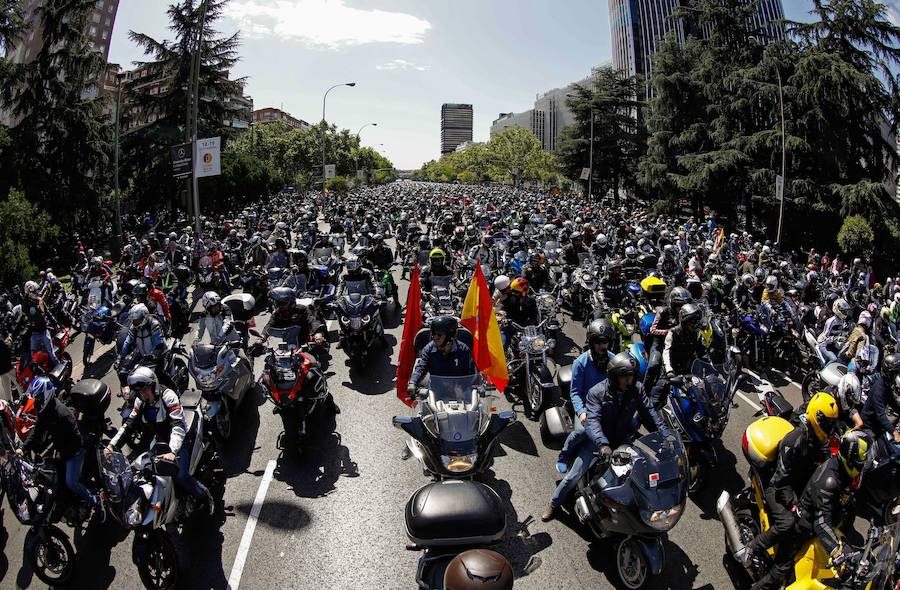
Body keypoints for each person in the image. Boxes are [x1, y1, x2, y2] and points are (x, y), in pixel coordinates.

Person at [542, 352, 671, 521]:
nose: (629, 381)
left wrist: (666, 434)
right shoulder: (597, 393)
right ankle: (553, 503)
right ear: (615, 376)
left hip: (621, 439)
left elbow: (650, 412)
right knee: (573, 477)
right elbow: (592, 421)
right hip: (597, 442)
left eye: (631, 377)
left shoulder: (636, 389)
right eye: (625, 377)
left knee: (640, 472)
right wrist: (602, 444)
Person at [748, 430, 868, 590]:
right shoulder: (829, 481)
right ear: (851, 459)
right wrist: (836, 551)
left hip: (816, 518)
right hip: (803, 526)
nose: (863, 463)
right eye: (861, 460)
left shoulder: (841, 470)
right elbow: (821, 523)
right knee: (780, 570)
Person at [735, 392, 840, 573]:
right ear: (817, 417)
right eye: (828, 424)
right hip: (776, 488)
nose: (830, 428)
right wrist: (794, 504)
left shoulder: (818, 439)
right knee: (788, 523)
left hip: (795, 482)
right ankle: (750, 548)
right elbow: (780, 479)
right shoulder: (794, 440)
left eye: (832, 424)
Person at [104, 367, 215, 514]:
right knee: (141, 473)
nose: (143, 394)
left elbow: (178, 425)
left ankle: (205, 497)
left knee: (180, 476)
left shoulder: (168, 396)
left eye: (145, 390)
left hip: (179, 442)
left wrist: (172, 452)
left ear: (153, 385)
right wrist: (112, 445)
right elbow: (128, 425)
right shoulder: (140, 401)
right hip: (159, 443)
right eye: (139, 391)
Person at [542, 320, 614, 521]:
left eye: (606, 342)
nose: (603, 346)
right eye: (599, 342)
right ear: (591, 342)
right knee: (573, 474)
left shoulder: (614, 361)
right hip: (586, 411)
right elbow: (575, 393)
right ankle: (554, 502)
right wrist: (582, 412)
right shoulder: (581, 362)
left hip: (607, 416)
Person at [20, 376, 104, 519]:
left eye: (39, 398)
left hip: (75, 451)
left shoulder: (61, 414)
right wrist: (23, 448)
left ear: (46, 395)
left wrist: (61, 455)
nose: (37, 402)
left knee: (71, 482)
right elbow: (37, 430)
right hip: (64, 448)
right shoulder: (46, 411)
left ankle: (97, 502)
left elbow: (75, 441)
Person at [651, 302, 707, 409]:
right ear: (685, 322)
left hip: (688, 371)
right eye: (693, 322)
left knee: (705, 396)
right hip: (672, 372)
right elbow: (666, 352)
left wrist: (709, 363)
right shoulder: (673, 333)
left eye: (697, 322)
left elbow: (701, 352)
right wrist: (669, 371)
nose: (696, 325)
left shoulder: (696, 334)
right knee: (656, 399)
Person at [408, 316, 476, 399]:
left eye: (439, 335)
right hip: (435, 391)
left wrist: (477, 386)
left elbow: (471, 372)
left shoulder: (464, 350)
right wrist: (413, 383)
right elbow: (421, 367)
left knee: (476, 408)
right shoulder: (428, 349)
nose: (435, 337)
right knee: (424, 410)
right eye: (433, 334)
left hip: (459, 392)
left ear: (450, 335)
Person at [20, 280, 59, 370]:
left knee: (51, 354)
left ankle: (61, 371)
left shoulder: (39, 300)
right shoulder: (26, 304)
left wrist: (55, 324)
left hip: (44, 331)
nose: (36, 292)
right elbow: (24, 316)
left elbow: (48, 312)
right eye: (34, 291)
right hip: (34, 334)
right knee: (34, 357)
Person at [816, 298, 849, 365]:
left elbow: (843, 334)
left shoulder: (843, 322)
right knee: (834, 359)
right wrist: (837, 338)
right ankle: (823, 372)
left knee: (842, 361)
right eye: (843, 311)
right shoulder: (831, 321)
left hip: (833, 346)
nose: (845, 313)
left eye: (846, 311)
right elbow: (825, 338)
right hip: (824, 344)